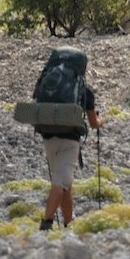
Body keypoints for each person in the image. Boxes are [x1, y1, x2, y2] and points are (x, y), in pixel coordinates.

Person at [38, 74, 102, 231]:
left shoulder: (47, 88)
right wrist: (102, 121)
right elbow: (94, 123)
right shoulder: (84, 91)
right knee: (60, 183)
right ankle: (46, 223)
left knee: (66, 183)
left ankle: (69, 224)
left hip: (48, 139)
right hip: (69, 142)